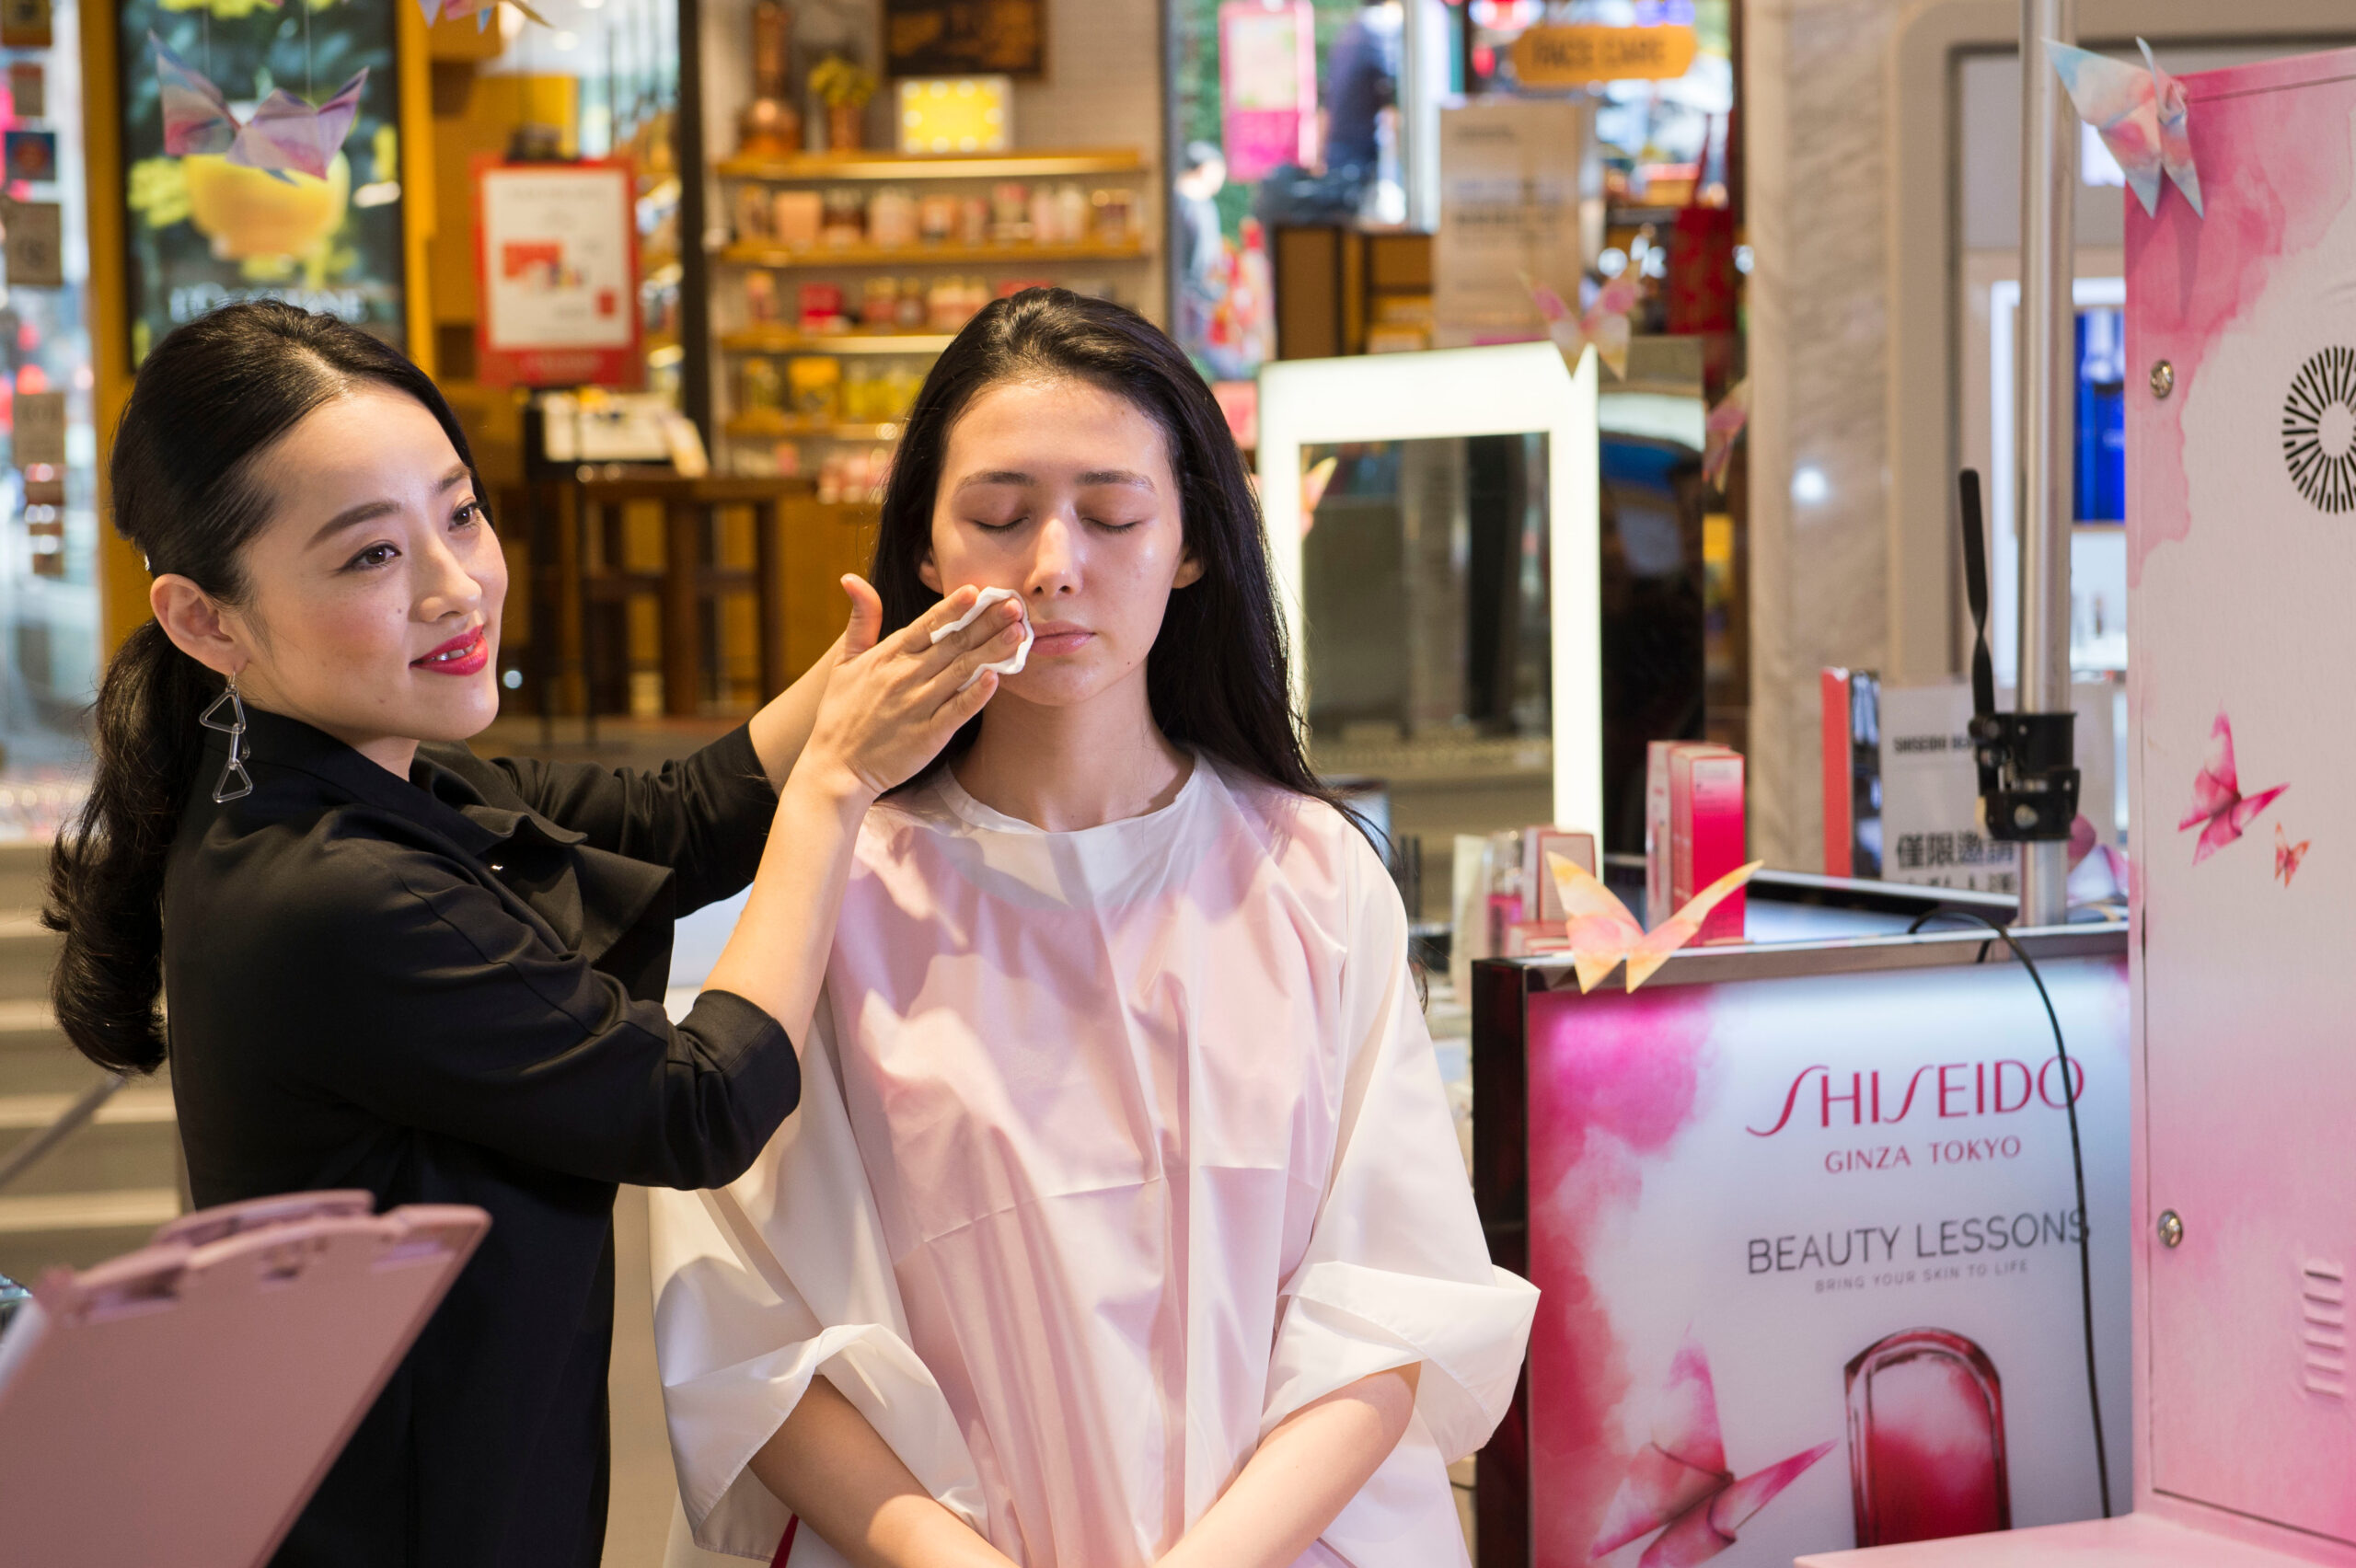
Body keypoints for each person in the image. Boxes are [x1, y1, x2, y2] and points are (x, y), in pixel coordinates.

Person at [39, 301, 1027, 1567]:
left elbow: (676, 817)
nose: (457, 585)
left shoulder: (368, 778)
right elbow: (696, 1104)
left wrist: (885, 669)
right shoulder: (327, 893)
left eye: (459, 514)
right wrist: (837, 789)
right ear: (204, 620)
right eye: (368, 558)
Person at [651, 289, 1536, 1568]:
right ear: (925, 548)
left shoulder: (1312, 876)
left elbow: (1387, 1302)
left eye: (1113, 515)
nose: (1055, 564)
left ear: (1191, 542)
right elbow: (748, 1326)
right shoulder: (824, 890)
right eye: (999, 517)